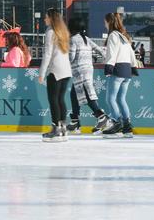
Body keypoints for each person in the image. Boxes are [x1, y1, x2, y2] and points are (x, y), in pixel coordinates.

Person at [65, 16, 110, 135]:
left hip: (79, 71)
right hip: (88, 69)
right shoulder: (87, 39)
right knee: (74, 94)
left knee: (86, 94)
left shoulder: (73, 40)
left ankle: (101, 117)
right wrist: (109, 59)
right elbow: (100, 50)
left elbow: (71, 57)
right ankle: (75, 121)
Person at [37, 8, 73, 142]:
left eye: (46, 17)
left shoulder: (50, 32)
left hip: (56, 70)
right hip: (66, 70)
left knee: (53, 100)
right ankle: (62, 128)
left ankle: (56, 129)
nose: (44, 19)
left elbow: (47, 54)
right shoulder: (63, 32)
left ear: (51, 18)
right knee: (60, 99)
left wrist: (42, 73)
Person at [102, 12, 137, 138]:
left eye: (105, 22)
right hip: (127, 70)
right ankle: (127, 128)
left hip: (118, 69)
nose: (104, 24)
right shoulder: (124, 36)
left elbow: (112, 53)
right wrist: (134, 67)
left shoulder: (113, 35)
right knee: (121, 99)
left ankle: (117, 123)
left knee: (110, 98)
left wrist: (108, 68)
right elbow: (132, 54)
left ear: (109, 22)